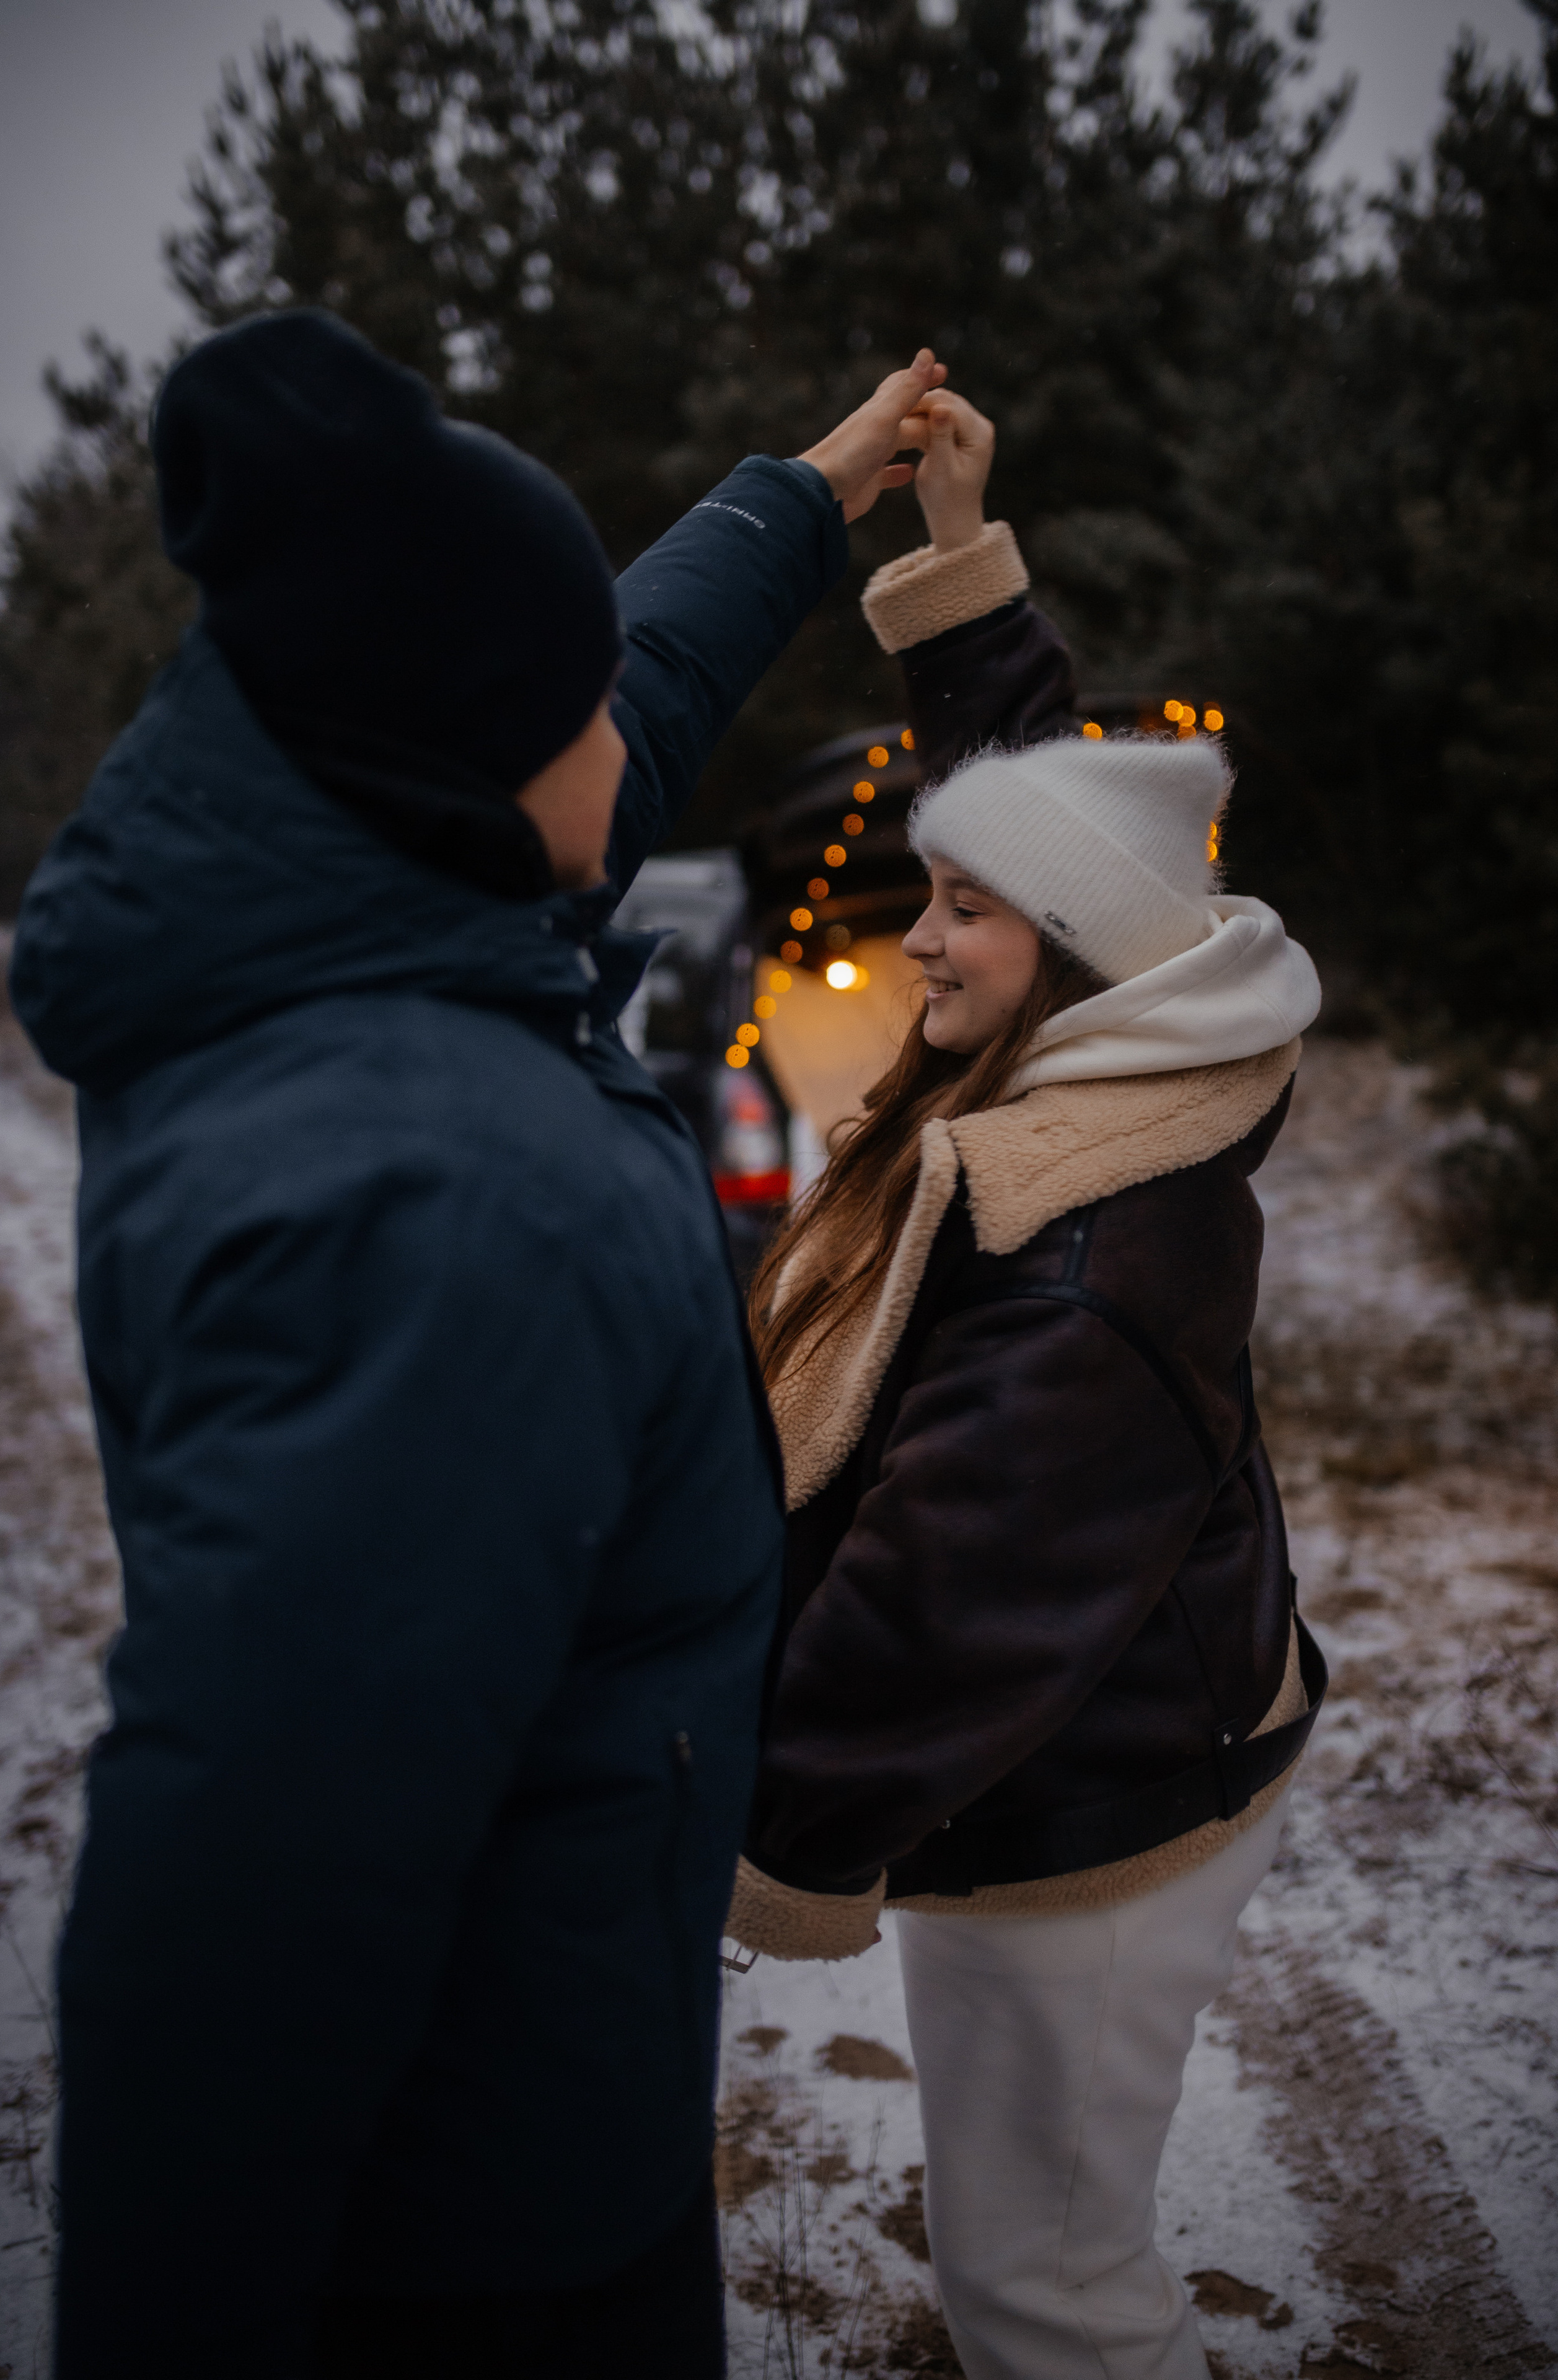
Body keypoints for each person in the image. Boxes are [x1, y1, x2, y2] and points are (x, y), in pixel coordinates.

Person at [9, 307, 944, 2380]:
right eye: (574, 710)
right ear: (473, 752)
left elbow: (616, 674)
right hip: (478, 2243)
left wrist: (801, 498)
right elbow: (244, 1938)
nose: (630, 739)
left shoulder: (316, 835)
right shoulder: (439, 1210)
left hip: (509, 2119)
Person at [726, 390, 1327, 2380]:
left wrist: (749, 1835)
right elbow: (1049, 834)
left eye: (962, 912)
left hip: (1091, 1812)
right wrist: (967, 575)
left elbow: (938, 1618)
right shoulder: (1116, 1041)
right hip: (1072, 1736)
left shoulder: (1093, 1261)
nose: (922, 944)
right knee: (1033, 2272)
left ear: (1072, 958)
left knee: (1047, 2291)